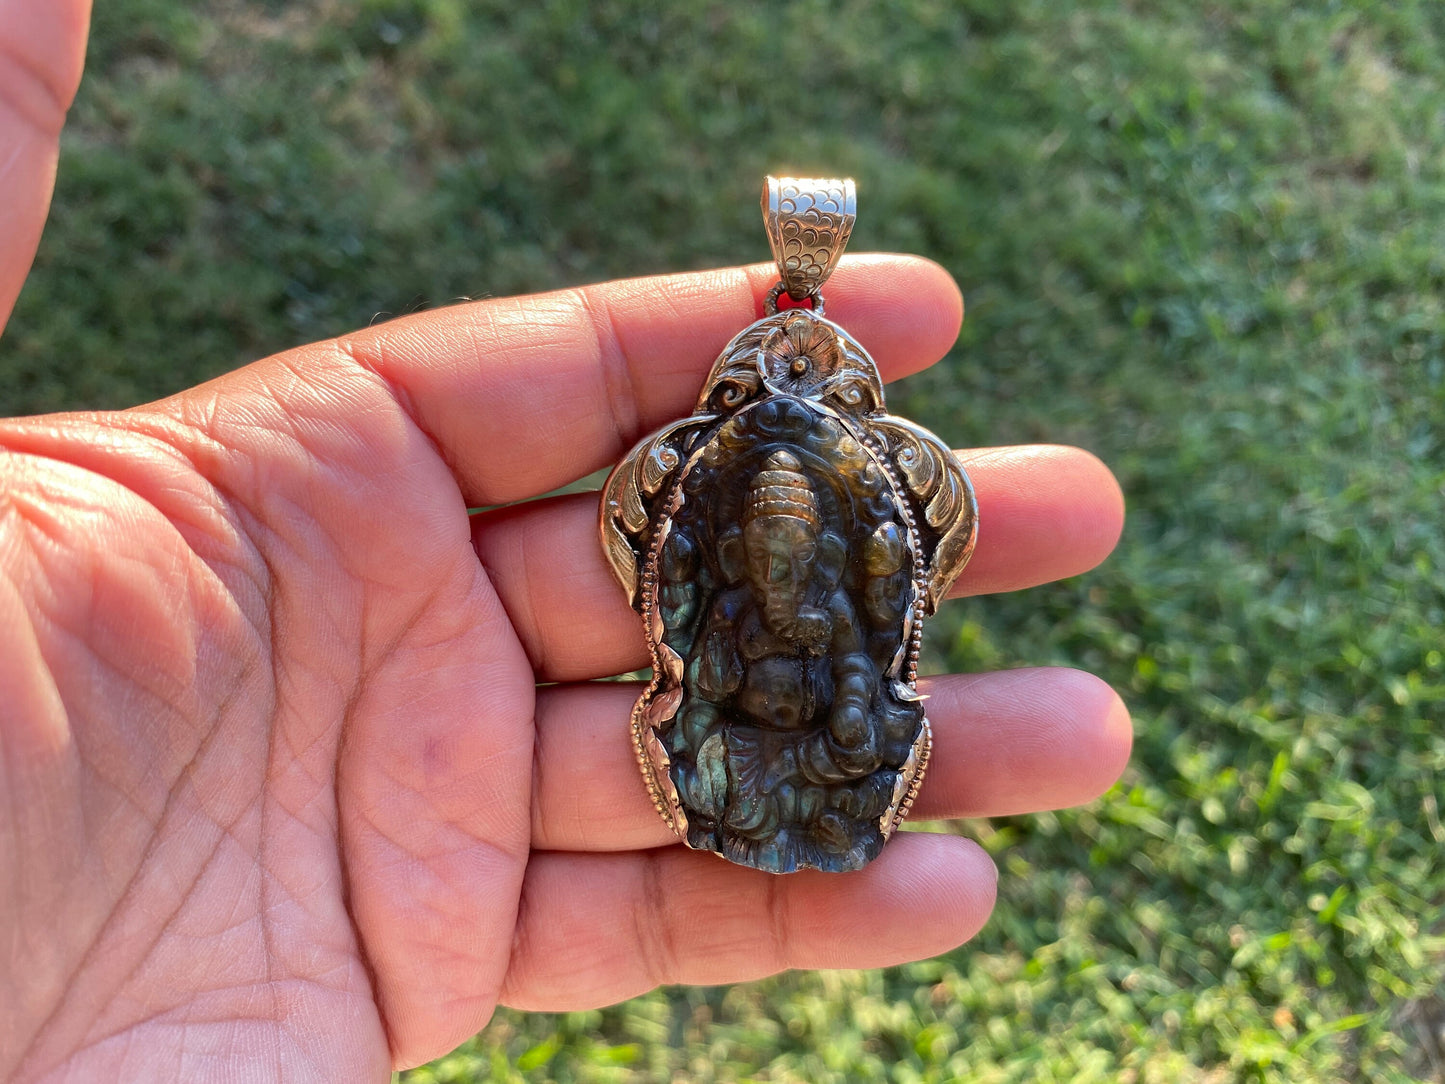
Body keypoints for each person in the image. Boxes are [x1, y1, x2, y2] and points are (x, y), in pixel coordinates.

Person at [0, 2, 1132, 1079]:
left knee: (860, 742)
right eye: (767, 547)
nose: (784, 566)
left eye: (803, 550)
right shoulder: (727, 605)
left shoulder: (843, 605)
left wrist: (838, 714)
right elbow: (703, 686)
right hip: (738, 759)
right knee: (719, 755)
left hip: (822, 762)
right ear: (739, 551)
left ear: (833, 556)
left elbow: (863, 696)